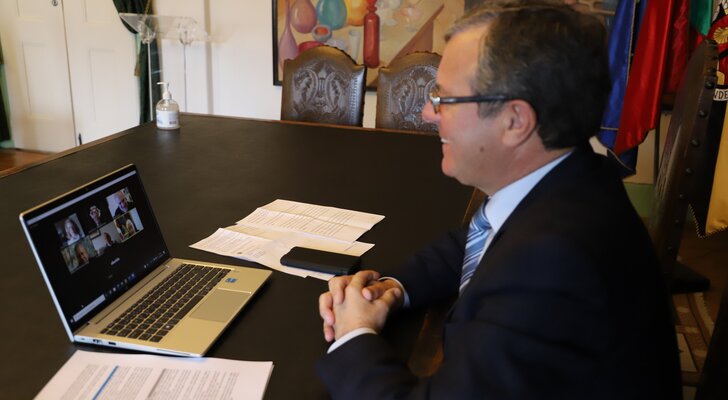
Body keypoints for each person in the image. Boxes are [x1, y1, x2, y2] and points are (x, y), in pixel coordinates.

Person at [317, 1, 681, 399]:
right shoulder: (574, 178)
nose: (426, 113)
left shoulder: (551, 263)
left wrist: (353, 335)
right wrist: (390, 289)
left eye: (444, 99)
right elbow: (475, 239)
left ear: (515, 121)